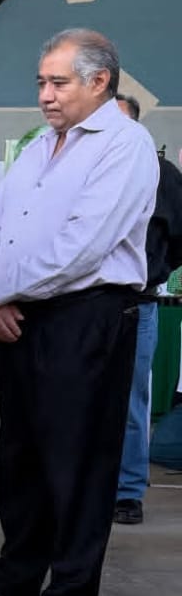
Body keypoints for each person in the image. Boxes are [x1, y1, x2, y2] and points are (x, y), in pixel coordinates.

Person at [0, 29, 158, 596]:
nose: (45, 94)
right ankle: (16, 580)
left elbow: (81, 250)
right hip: (21, 314)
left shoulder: (124, 146)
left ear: (99, 81)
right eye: (41, 82)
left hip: (84, 318)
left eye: (58, 82)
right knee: (22, 459)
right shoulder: (39, 147)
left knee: (77, 467)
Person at [111, 93, 182, 526]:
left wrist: (154, 271)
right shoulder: (86, 168)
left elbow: (178, 237)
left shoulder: (163, 176)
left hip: (137, 305)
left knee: (131, 402)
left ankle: (127, 491)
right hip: (83, 307)